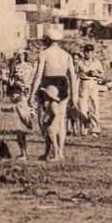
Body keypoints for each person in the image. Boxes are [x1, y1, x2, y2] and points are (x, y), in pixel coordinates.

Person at [28, 25, 78, 161]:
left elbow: (38, 75)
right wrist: (74, 97)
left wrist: (31, 94)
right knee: (60, 121)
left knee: (48, 122)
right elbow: (73, 77)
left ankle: (55, 152)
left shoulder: (44, 53)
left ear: (47, 40)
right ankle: (57, 152)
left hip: (50, 86)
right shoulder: (66, 55)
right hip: (63, 85)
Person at [77, 43, 104, 135]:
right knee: (82, 107)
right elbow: (74, 74)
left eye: (89, 51)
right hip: (83, 83)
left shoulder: (97, 62)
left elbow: (102, 75)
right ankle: (85, 125)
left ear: (93, 52)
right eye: (86, 51)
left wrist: (95, 74)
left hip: (93, 83)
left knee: (94, 106)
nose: (87, 53)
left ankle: (95, 128)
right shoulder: (79, 62)